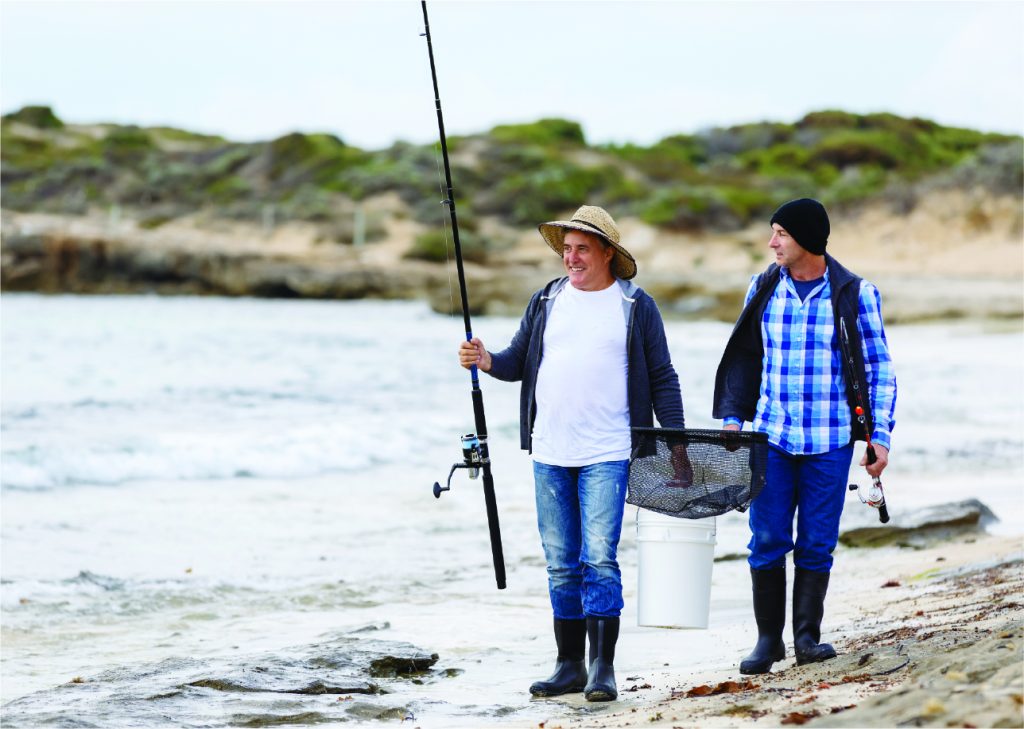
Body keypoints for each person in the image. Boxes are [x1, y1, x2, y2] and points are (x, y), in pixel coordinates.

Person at [458, 205, 687, 702]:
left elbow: (663, 378)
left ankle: (602, 668)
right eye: (566, 249)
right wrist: (485, 359)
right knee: (561, 562)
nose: (572, 258)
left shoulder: (634, 305)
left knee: (599, 559)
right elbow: (518, 362)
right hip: (549, 450)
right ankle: (568, 666)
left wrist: (676, 443)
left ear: (608, 252)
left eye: (582, 248)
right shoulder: (546, 300)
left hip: (608, 450)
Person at [713, 198, 897, 674]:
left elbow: (879, 370)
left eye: (781, 234)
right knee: (767, 539)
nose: (772, 242)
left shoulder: (855, 293)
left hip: (830, 440)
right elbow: (745, 357)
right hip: (771, 437)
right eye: (773, 232)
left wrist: (880, 436)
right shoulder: (763, 287)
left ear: (807, 240)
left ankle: (807, 639)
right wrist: (734, 416)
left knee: (817, 543)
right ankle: (768, 641)